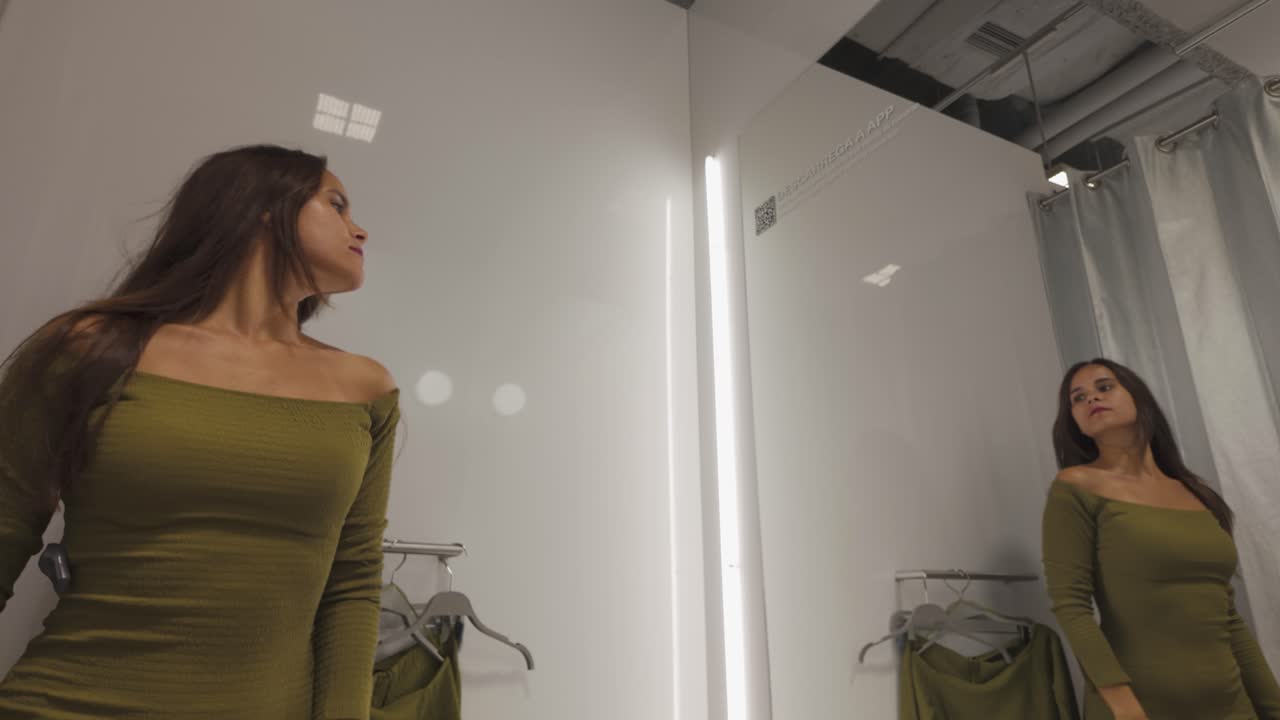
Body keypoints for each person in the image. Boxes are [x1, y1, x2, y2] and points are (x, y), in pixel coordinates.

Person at [0, 144, 401, 719]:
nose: (358, 229)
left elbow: (353, 582)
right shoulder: (89, 349)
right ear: (263, 208)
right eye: (336, 204)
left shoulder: (365, 389)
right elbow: (6, 522)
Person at [1042, 358, 1280, 720]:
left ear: (1140, 398)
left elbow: (1227, 616)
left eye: (1104, 387)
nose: (1091, 398)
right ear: (1073, 420)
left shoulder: (1196, 493)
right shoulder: (1075, 488)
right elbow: (1071, 605)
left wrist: (1272, 705)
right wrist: (1122, 705)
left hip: (1230, 704)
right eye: (1077, 397)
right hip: (1141, 707)